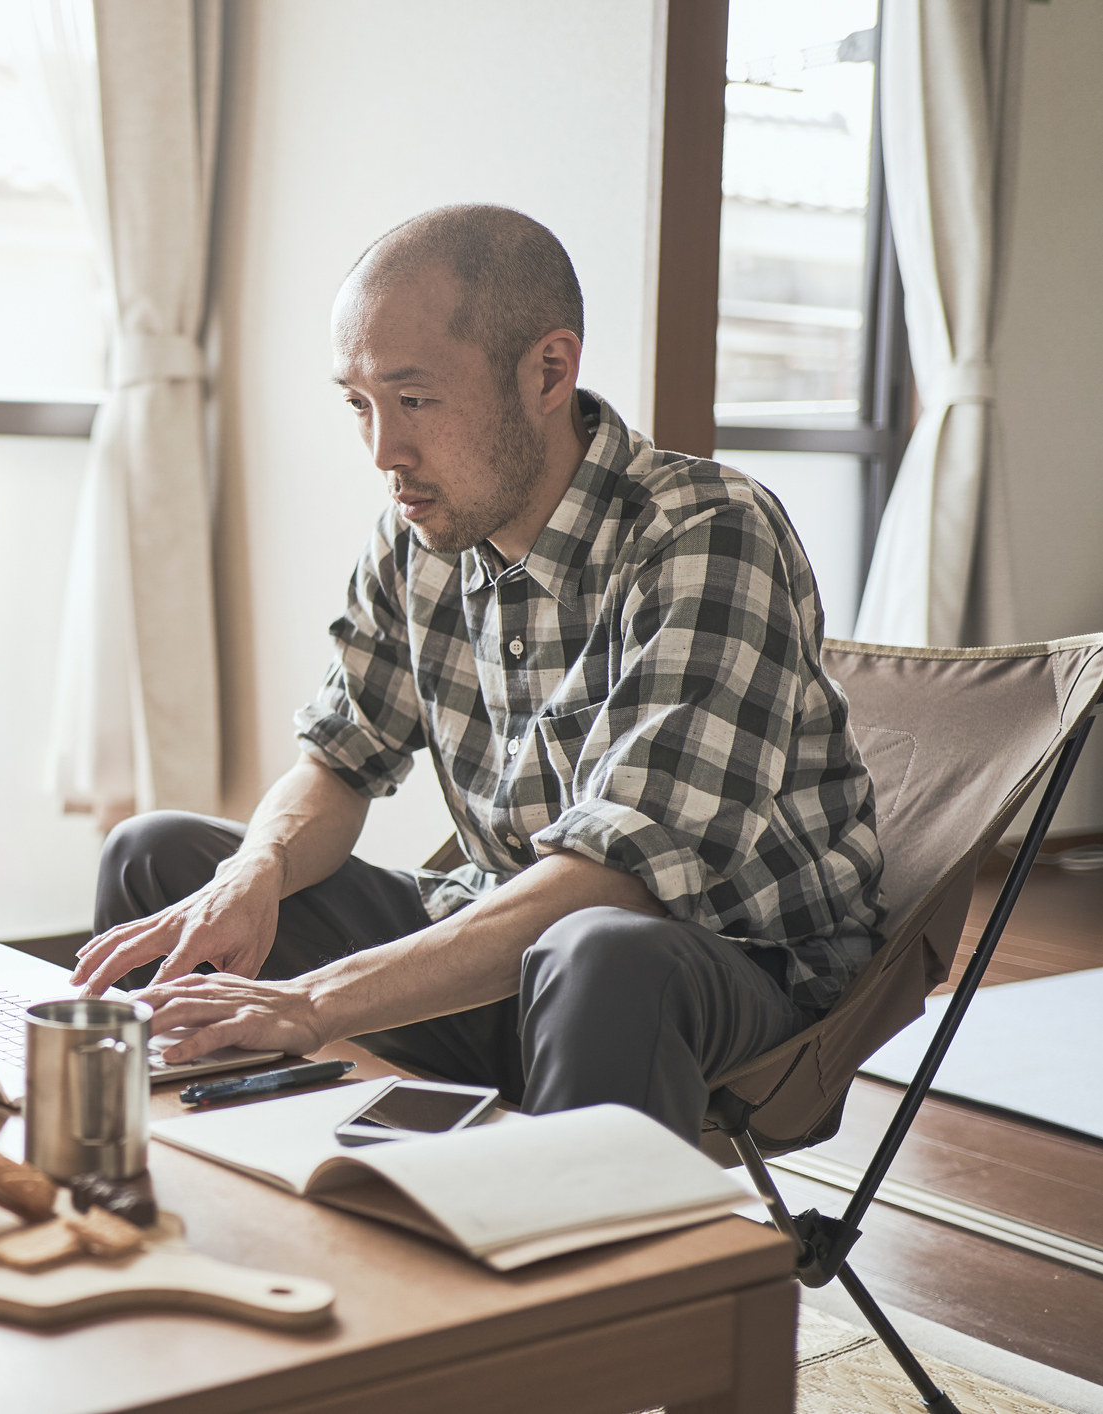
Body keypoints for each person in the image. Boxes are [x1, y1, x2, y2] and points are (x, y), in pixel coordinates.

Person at [70, 204, 884, 1145]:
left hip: (721, 973)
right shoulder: (419, 533)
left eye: (413, 400)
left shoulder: (704, 534)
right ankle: (193, 1185)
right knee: (158, 859)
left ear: (547, 371)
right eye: (359, 405)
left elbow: (616, 881)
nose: (384, 453)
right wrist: (252, 871)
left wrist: (313, 1001)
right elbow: (340, 758)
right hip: (510, 948)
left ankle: (584, 1280)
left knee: (600, 953)